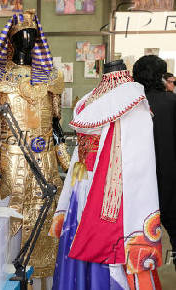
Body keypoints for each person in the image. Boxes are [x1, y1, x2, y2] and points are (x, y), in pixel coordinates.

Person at [0, 10, 70, 290]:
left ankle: (42, 283)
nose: (28, 42)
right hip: (10, 164)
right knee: (10, 223)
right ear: (11, 41)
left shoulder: (51, 77)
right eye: (21, 37)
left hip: (45, 163)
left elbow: (55, 127)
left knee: (45, 222)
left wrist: (69, 164)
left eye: (33, 37)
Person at [51, 60, 162, 289]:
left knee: (105, 246)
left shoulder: (134, 101)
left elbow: (139, 162)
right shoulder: (90, 98)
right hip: (81, 183)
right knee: (77, 236)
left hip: (113, 189)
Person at [134, 55, 176, 270]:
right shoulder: (172, 102)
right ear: (161, 76)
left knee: (134, 244)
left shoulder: (131, 107)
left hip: (138, 188)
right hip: (172, 184)